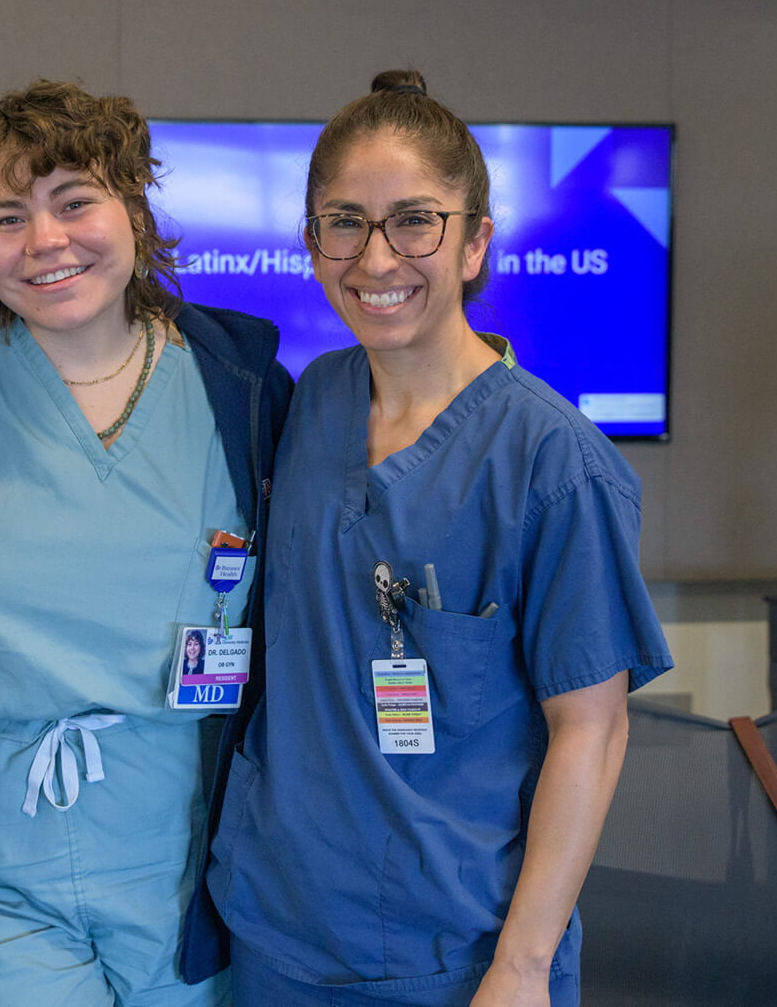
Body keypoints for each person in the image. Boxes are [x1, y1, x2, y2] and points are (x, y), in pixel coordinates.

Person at [203, 71, 674, 1007]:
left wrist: (523, 965)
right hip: (273, 930)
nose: (377, 259)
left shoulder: (551, 460)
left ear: (474, 242)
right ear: (312, 243)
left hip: (459, 955)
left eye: (415, 220)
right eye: (346, 221)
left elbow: (593, 729)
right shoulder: (309, 405)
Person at [0, 79, 292, 1006]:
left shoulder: (242, 390)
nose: (45, 241)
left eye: (74, 200)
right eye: (7, 217)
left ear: (133, 206)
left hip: (192, 859)